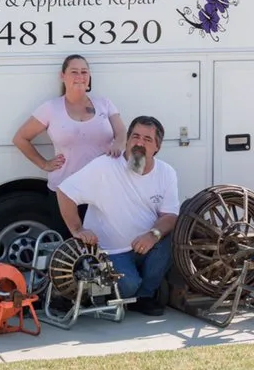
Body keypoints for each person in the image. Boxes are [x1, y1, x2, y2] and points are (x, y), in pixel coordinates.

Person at [55, 115, 179, 317]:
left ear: (157, 147)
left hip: (148, 246)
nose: (139, 143)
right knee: (128, 286)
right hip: (111, 252)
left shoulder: (166, 172)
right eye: (135, 136)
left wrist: (153, 235)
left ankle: (145, 296)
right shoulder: (105, 166)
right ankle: (131, 292)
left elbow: (170, 215)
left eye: (147, 139)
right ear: (127, 140)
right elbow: (64, 192)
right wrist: (77, 229)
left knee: (174, 238)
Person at [13, 54, 127, 233]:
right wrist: (44, 164)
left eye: (84, 72)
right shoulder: (51, 108)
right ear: (62, 76)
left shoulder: (104, 104)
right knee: (70, 244)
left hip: (103, 189)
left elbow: (122, 133)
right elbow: (20, 138)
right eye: (74, 72)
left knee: (103, 243)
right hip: (65, 191)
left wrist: (118, 145)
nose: (80, 77)